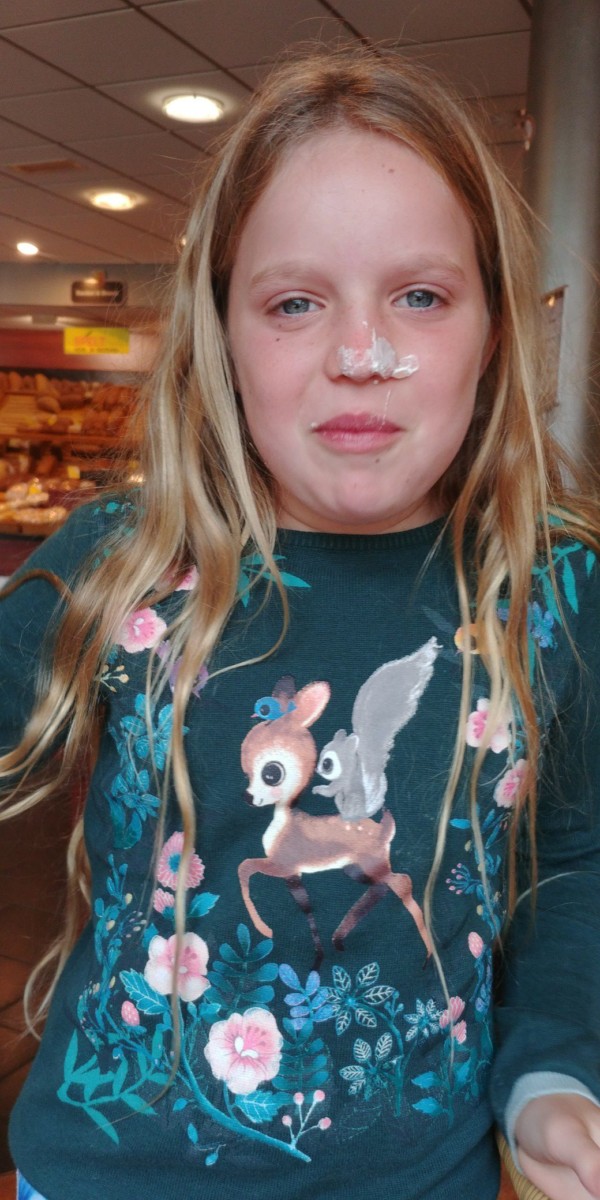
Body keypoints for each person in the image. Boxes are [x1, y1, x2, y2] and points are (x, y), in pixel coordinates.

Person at [1, 47, 600, 1200]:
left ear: (493, 328)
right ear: (222, 334)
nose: (359, 356)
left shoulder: (554, 587)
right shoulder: (123, 560)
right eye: (294, 303)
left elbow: (572, 861)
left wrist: (553, 1072)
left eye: (420, 296)